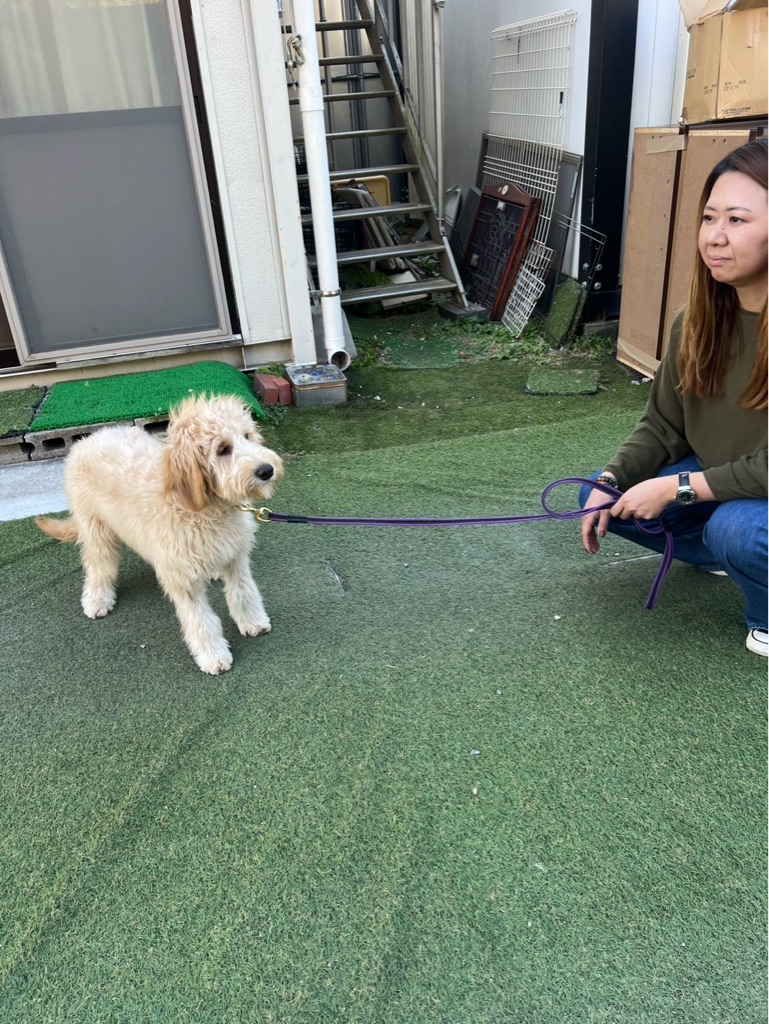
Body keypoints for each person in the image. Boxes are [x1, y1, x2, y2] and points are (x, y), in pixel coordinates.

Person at [580, 138, 768, 657]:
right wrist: (610, 479)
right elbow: (664, 425)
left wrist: (678, 488)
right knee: (604, 498)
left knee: (737, 529)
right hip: (730, 485)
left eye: (737, 220)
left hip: (746, 499)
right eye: (709, 218)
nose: (714, 237)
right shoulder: (698, 321)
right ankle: (727, 555)